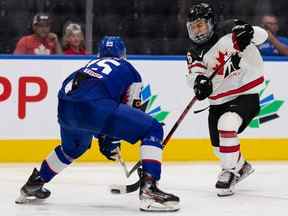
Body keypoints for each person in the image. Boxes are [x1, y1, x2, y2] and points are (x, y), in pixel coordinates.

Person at [15, 36, 180, 212]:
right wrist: (110, 139)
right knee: (151, 128)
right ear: (123, 54)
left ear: (99, 54)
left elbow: (73, 90)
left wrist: (105, 134)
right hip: (95, 107)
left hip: (66, 107)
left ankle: (35, 182)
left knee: (71, 149)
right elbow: (130, 109)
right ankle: (149, 189)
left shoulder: (89, 65)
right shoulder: (128, 68)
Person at [185, 3, 267, 196]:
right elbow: (193, 75)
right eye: (193, 26)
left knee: (227, 125)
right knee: (219, 150)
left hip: (245, 93)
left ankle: (229, 171)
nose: (197, 31)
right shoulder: (195, 51)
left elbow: (261, 36)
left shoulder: (231, 29)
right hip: (217, 103)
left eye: (200, 25)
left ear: (211, 23)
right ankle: (241, 166)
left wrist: (250, 32)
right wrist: (199, 82)